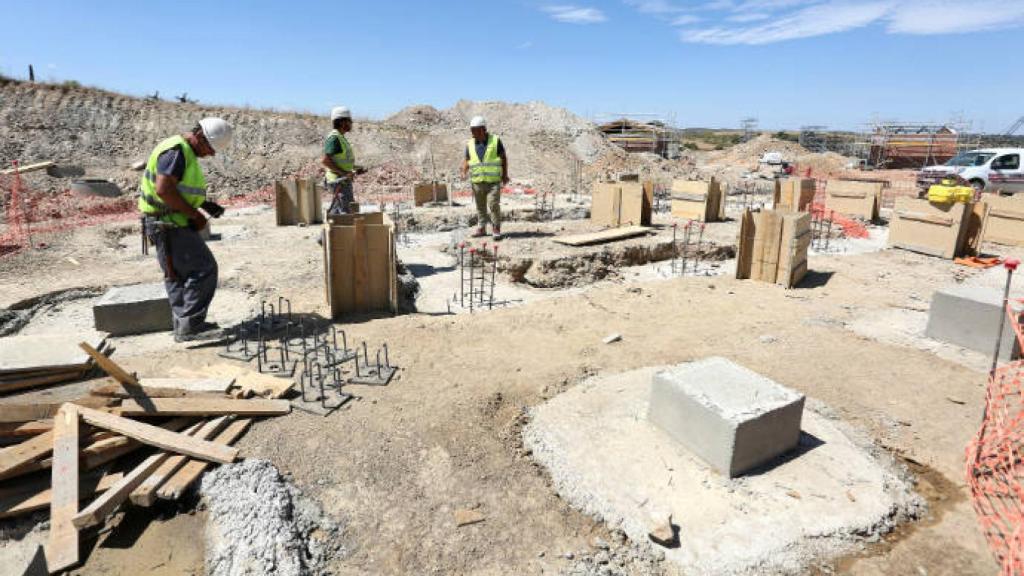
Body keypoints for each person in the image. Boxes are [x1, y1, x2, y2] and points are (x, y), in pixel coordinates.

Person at [138, 117, 233, 342]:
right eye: (210, 148)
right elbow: (164, 190)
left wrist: (204, 204)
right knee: (203, 269)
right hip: (169, 224)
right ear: (200, 136)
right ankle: (191, 326)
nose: (211, 154)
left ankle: (184, 325)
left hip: (167, 222)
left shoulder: (182, 151)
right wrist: (194, 214)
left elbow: (178, 188)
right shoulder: (177, 152)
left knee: (177, 275)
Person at [460, 115, 509, 240]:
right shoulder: (470, 144)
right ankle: (481, 228)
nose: (472, 133)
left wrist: (505, 175)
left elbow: (503, 158)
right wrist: (464, 172)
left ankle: (496, 228)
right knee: (480, 206)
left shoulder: (495, 140)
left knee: (493, 204)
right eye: (471, 130)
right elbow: (467, 159)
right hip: (477, 182)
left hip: (493, 182)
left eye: (474, 130)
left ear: (482, 129)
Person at [322, 106, 358, 214]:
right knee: (345, 213)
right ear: (342, 122)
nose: (351, 124)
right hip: (338, 180)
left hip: (342, 179)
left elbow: (341, 160)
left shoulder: (340, 137)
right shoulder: (334, 138)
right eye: (349, 121)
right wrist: (344, 173)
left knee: (338, 211)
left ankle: (329, 224)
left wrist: (355, 168)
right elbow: (326, 161)